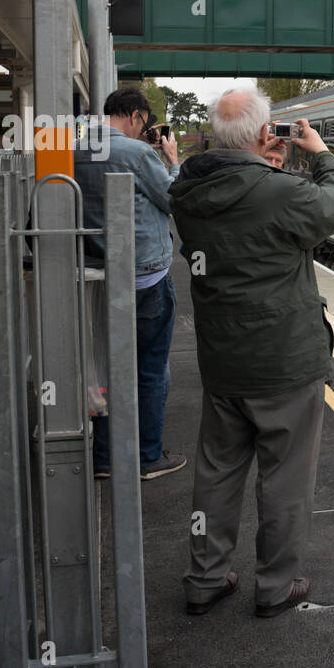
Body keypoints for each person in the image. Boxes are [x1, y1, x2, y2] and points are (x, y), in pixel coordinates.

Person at [170, 88, 334, 617]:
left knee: (217, 472)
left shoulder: (188, 193)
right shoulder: (278, 191)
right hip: (284, 362)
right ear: (260, 134)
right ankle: (275, 586)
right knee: (285, 480)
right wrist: (319, 154)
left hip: (223, 360)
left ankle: (205, 577)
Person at [75, 86, 187, 481]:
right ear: (137, 116)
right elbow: (175, 200)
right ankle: (146, 456)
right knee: (150, 369)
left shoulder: (75, 150)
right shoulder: (138, 154)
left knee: (107, 368)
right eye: (145, 123)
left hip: (95, 278)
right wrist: (171, 161)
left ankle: (104, 458)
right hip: (144, 279)